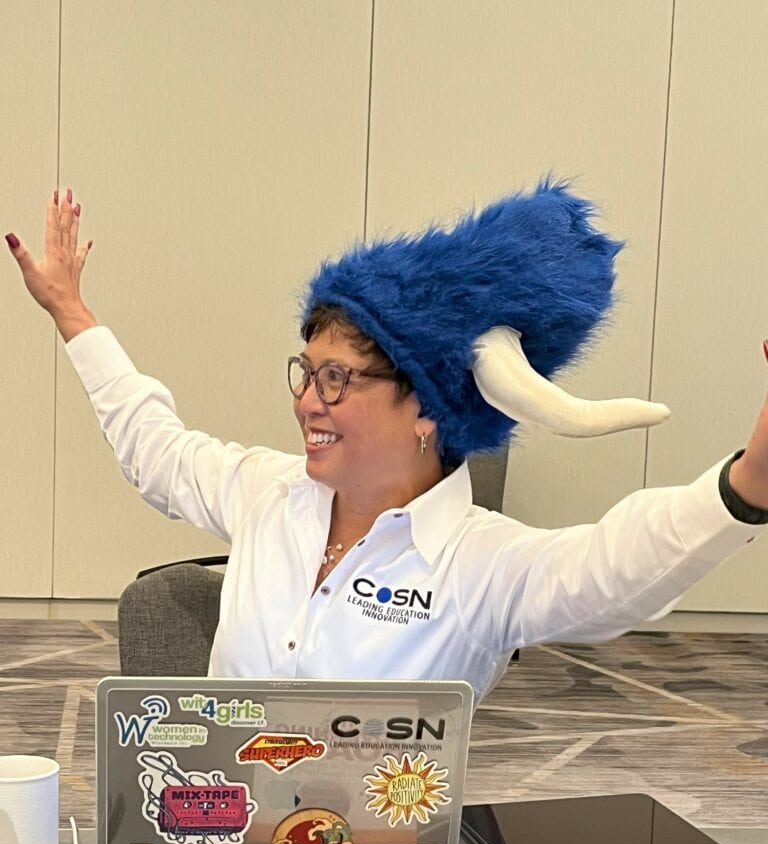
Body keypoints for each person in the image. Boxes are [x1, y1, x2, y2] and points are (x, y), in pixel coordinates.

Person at [5, 184, 768, 704]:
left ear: (426, 409)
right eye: (307, 372)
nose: (307, 400)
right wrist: (72, 313)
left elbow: (607, 571)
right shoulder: (270, 494)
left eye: (338, 378)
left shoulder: (476, 564)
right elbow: (156, 448)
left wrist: (748, 482)